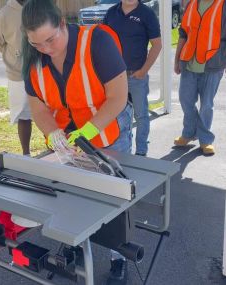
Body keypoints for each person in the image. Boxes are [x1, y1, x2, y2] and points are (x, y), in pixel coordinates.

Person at [21, 0, 133, 283]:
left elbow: (118, 97)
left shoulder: (97, 41)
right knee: (71, 194)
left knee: (113, 196)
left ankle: (119, 256)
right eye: (37, 44)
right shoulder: (32, 60)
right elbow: (38, 107)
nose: (45, 49)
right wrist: (51, 133)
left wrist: (89, 131)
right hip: (67, 142)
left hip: (106, 133)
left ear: (62, 23)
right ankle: (73, 245)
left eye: (50, 39)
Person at [104, 0, 162, 156]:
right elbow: (102, 41)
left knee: (141, 114)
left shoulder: (147, 14)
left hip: (136, 76)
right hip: (114, 78)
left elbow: (157, 44)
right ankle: (122, 149)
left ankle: (141, 151)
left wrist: (144, 70)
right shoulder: (111, 13)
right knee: (116, 114)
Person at [174, 0, 226, 155]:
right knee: (185, 100)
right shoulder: (191, 4)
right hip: (189, 63)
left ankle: (205, 140)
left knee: (206, 105)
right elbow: (183, 33)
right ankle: (189, 133)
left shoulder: (223, 5)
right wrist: (177, 60)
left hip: (213, 64)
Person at [0, 0, 32, 155]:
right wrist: (14, 56)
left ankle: (53, 149)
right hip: (18, 74)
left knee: (49, 111)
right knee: (23, 115)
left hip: (43, 70)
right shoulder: (2, 15)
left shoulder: (38, 7)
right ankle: (26, 153)